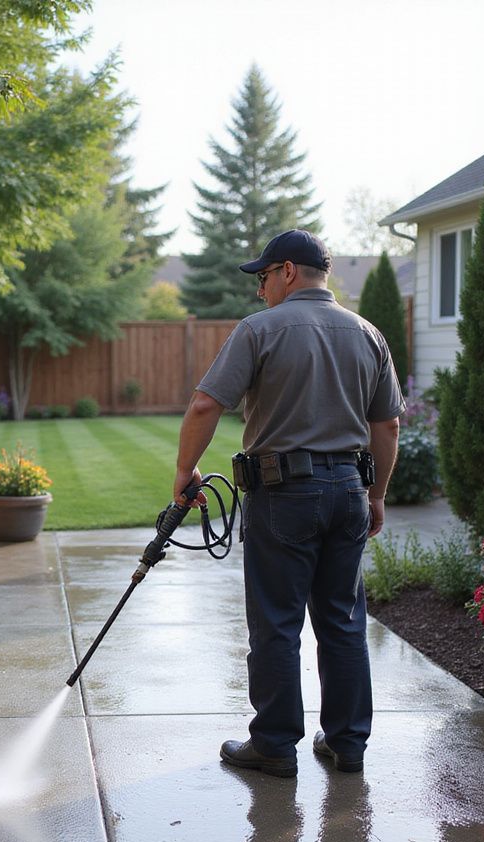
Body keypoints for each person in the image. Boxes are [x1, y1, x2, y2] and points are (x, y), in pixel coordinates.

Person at [174, 229, 404, 778]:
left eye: (263, 278)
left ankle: (275, 745)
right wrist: (376, 496)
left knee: (277, 623)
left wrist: (185, 472)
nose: (259, 291)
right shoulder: (368, 333)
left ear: (288, 272)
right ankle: (348, 744)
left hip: (282, 496)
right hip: (349, 489)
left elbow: (206, 405)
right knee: (344, 620)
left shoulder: (260, 330)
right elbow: (388, 424)